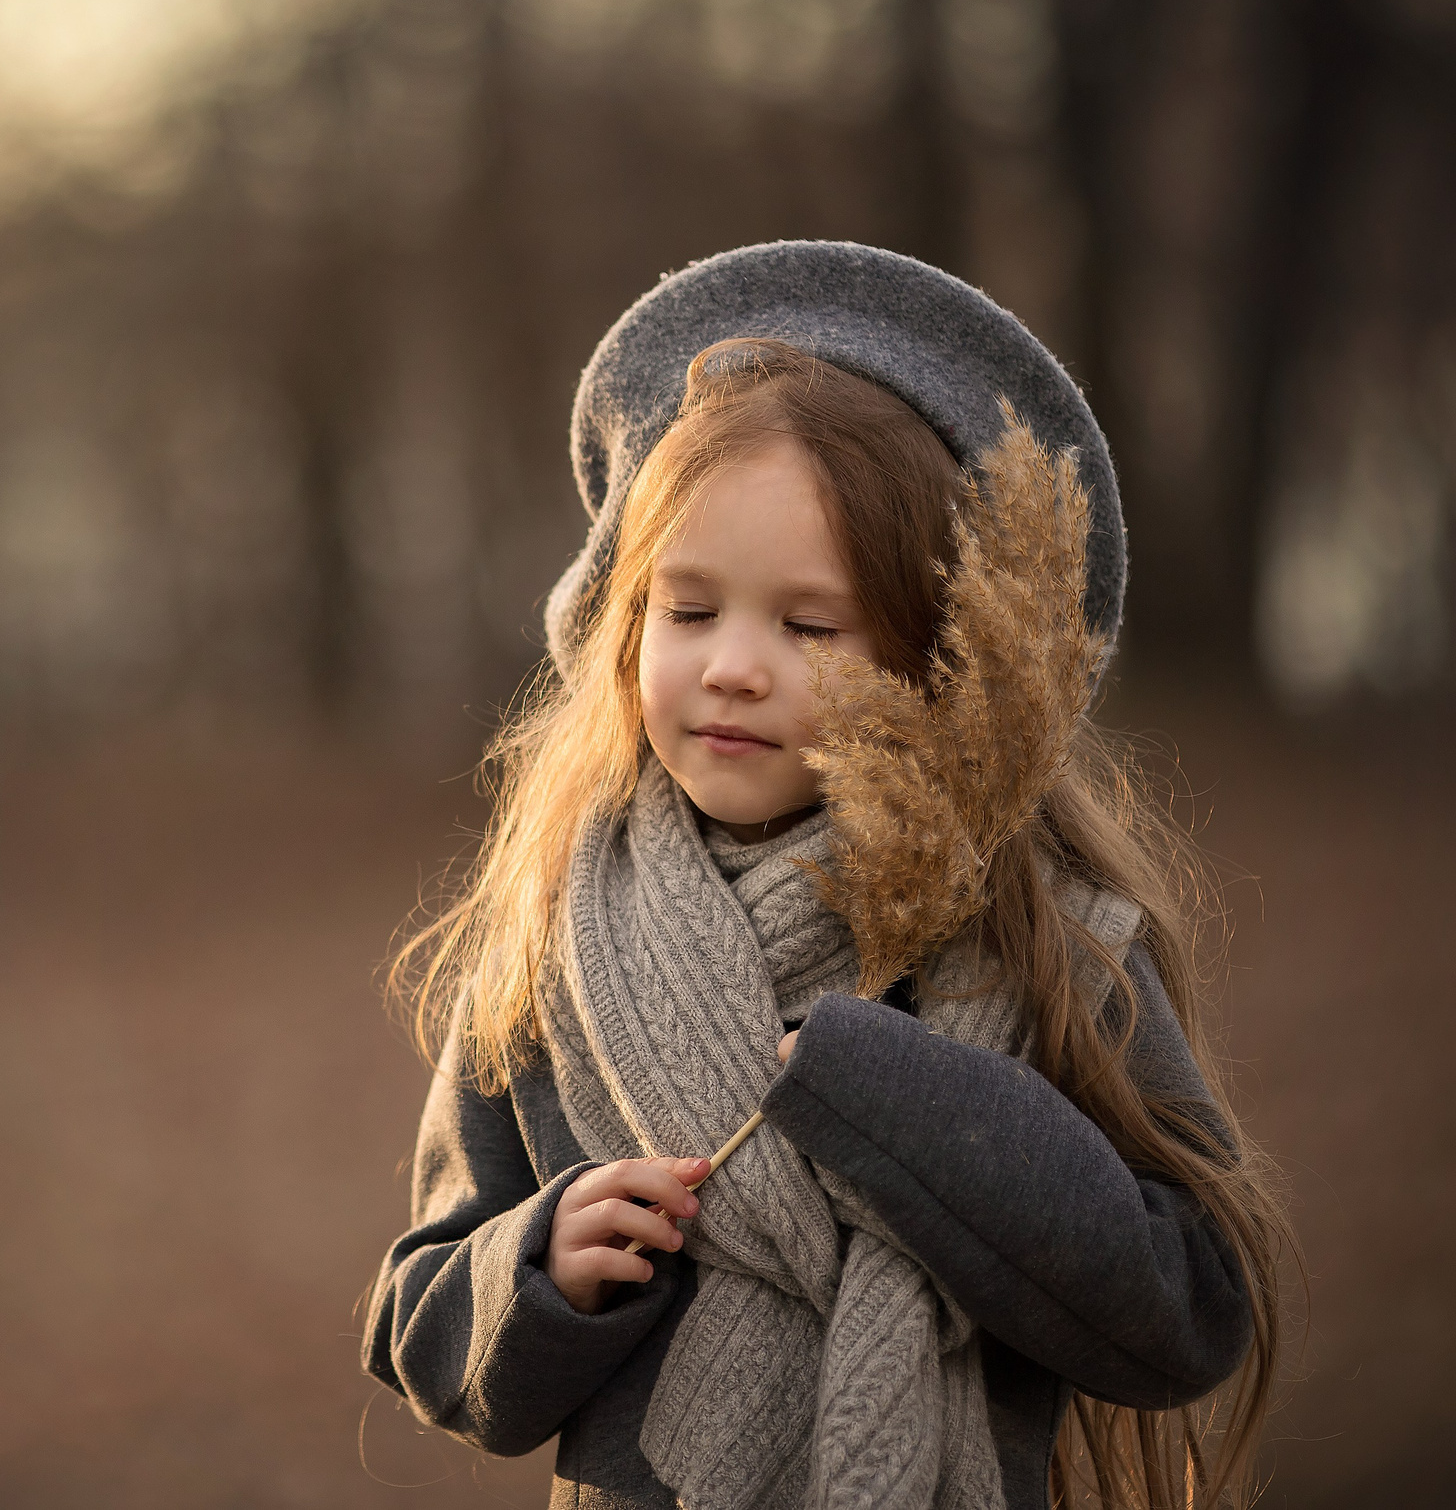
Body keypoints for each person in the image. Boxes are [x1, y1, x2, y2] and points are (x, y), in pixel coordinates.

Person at [362, 242, 1290, 1510]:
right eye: (688, 610)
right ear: (623, 622)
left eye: (809, 625)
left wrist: (901, 1097)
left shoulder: (1045, 940)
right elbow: (417, 1320)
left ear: (942, 660)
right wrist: (535, 1267)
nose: (733, 667)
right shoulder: (555, 943)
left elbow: (1191, 1309)